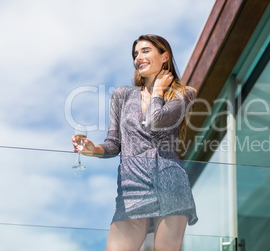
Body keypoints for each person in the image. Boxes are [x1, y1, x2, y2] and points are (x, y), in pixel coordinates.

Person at [72, 34, 198, 251]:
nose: (138, 57)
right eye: (135, 53)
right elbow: (113, 143)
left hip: (170, 183)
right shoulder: (122, 95)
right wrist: (94, 150)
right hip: (131, 186)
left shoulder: (183, 94)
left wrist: (158, 91)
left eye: (145, 50)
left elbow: (154, 122)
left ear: (164, 56)